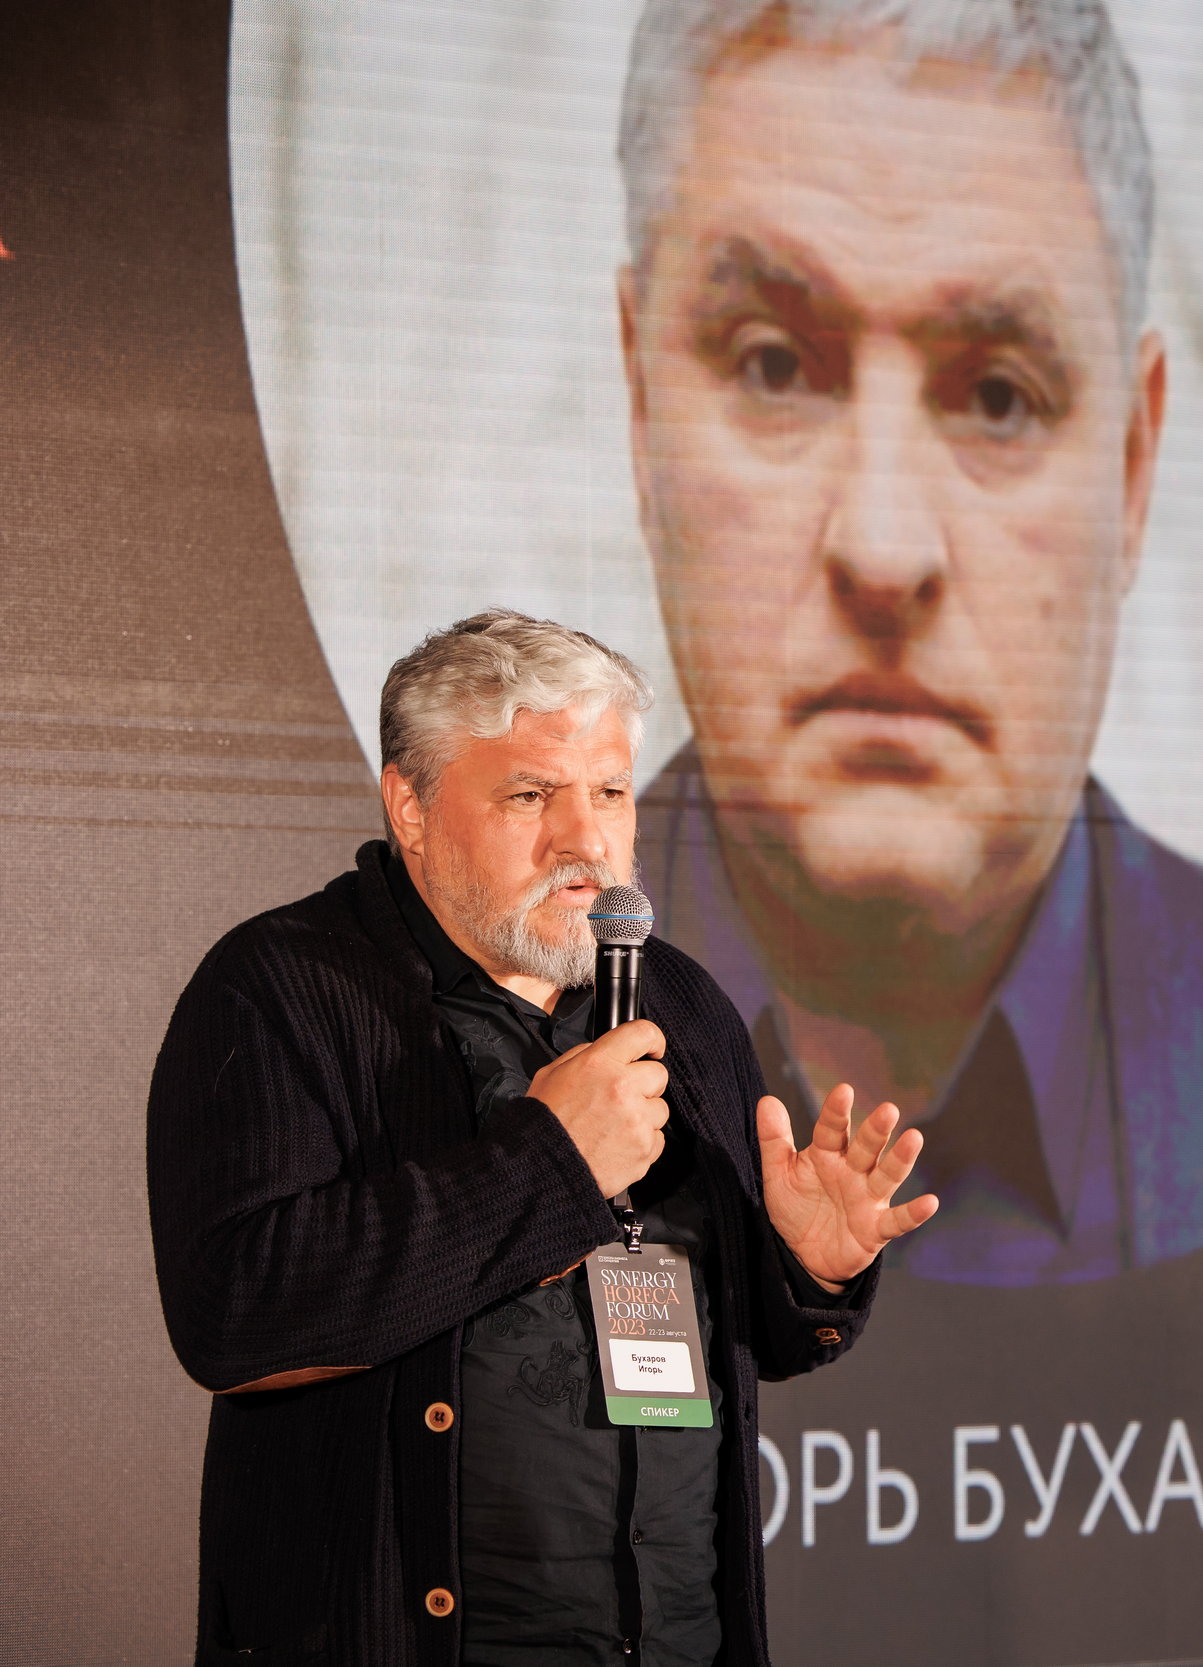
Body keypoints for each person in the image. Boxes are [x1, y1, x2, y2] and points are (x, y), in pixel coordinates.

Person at [618, 0, 1203, 1287]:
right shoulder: (406, 1075)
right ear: (641, 412)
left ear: (1131, 467)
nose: (885, 547)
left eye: (998, 394)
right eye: (776, 365)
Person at [147, 611, 936, 1664]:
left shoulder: (680, 1003)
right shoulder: (280, 989)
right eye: (531, 795)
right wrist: (547, 1167)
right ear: (410, 806)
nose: (587, 841)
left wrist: (805, 1270)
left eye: (609, 791)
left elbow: (743, 1348)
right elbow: (233, 1317)